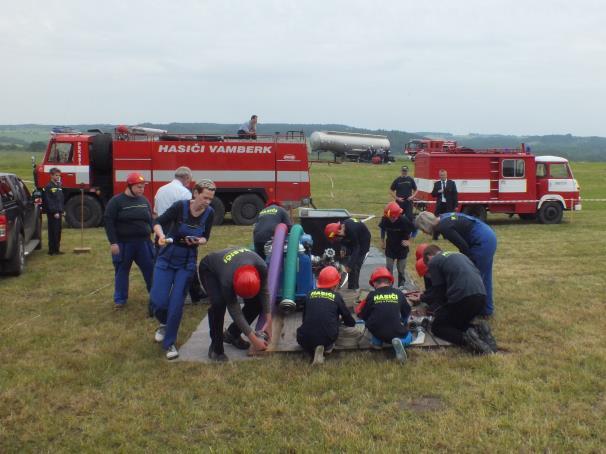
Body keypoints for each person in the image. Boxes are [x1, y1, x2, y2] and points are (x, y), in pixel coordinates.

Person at [150, 180, 215, 360]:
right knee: (158, 301)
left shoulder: (209, 213)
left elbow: (205, 238)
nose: (207, 202)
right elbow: (157, 222)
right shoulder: (180, 207)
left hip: (186, 263)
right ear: (195, 194)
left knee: (176, 304)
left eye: (210, 199)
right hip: (167, 256)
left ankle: (170, 342)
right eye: (205, 197)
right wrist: (161, 235)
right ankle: (163, 322)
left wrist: (198, 241)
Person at [408, 245, 497, 354]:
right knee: (454, 323)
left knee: (438, 326)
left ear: (429, 257)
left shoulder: (434, 262)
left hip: (463, 298)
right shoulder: (458, 255)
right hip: (481, 297)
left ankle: (468, 341)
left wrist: (426, 305)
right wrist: (424, 296)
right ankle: (479, 329)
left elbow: (439, 293)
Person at [414, 211, 497, 316]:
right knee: (484, 276)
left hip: (481, 241)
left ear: (425, 224)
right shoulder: (443, 218)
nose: (424, 232)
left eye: (422, 229)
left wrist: (466, 264)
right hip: (487, 235)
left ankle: (481, 310)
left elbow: (463, 247)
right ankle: (487, 309)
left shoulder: (444, 227)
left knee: (476, 278)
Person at [199, 247, 271, 362]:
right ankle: (216, 349)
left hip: (232, 264)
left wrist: (269, 322)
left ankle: (232, 334)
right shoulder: (226, 280)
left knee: (256, 302)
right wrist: (254, 340)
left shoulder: (261, 267)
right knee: (218, 304)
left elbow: (265, 292)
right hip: (209, 268)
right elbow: (235, 310)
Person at [103, 172, 155, 309]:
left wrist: (154, 231)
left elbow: (150, 219)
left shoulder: (144, 201)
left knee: (150, 269)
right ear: (129, 186)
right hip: (124, 243)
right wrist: (113, 242)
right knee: (122, 271)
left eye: (143, 187)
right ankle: (120, 300)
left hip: (144, 243)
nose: (141, 190)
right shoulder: (116, 201)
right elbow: (109, 222)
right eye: (139, 187)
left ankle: (155, 295)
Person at [296, 266, 356, 365]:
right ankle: (326, 348)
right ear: (335, 284)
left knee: (304, 335)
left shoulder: (309, 294)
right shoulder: (336, 297)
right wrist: (348, 322)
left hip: (305, 338)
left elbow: (304, 318)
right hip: (327, 337)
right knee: (330, 333)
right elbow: (348, 319)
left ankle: (312, 348)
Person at [355, 267, 412, 363]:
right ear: (390, 282)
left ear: (374, 283)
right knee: (409, 336)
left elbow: (364, 314)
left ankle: (376, 343)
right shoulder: (398, 293)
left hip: (376, 330)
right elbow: (407, 311)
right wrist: (404, 321)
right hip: (395, 330)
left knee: (377, 328)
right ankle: (400, 342)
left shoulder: (371, 295)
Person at [324, 218, 371, 292]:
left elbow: (356, 248)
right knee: (350, 260)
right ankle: (351, 286)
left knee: (355, 265)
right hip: (353, 238)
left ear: (338, 232)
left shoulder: (351, 230)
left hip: (363, 241)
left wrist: (349, 266)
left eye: (335, 237)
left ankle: (355, 288)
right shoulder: (340, 228)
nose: (336, 240)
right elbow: (342, 239)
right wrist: (343, 248)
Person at [379, 202, 416, 287]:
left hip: (402, 248)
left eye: (392, 218)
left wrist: (409, 241)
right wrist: (382, 241)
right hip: (390, 246)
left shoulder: (404, 220)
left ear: (397, 215)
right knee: (389, 268)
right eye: (389, 217)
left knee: (401, 269)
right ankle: (389, 286)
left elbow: (415, 230)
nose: (390, 219)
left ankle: (401, 286)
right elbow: (383, 229)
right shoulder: (385, 219)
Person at [42, 168, 64, 255]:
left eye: (59, 175)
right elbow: (49, 200)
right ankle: (52, 250)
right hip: (53, 213)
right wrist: (55, 212)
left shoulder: (58, 186)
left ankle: (57, 249)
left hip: (59, 211)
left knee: (58, 231)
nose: (58, 177)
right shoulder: (49, 187)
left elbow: (60, 199)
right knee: (53, 231)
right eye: (56, 175)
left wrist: (62, 210)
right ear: (51, 175)